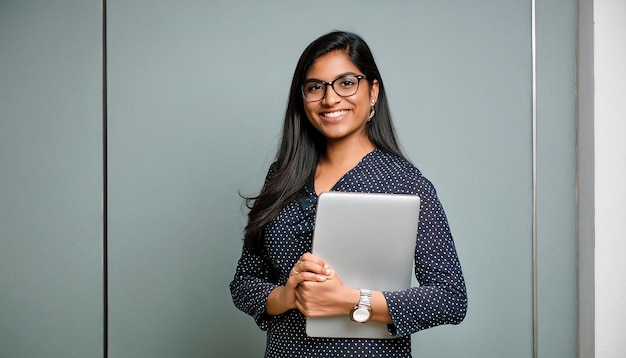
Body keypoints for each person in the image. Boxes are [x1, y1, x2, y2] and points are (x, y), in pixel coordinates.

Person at [230, 30, 467, 358]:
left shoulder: (405, 185)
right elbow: (244, 282)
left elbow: (450, 299)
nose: (329, 99)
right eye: (316, 87)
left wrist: (351, 300)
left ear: (372, 91)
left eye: (346, 83)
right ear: (302, 98)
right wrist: (287, 296)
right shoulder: (282, 177)